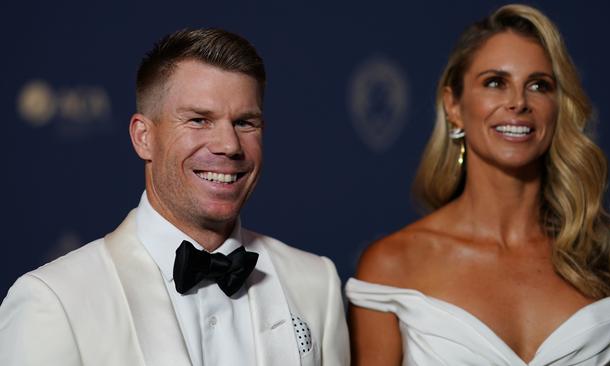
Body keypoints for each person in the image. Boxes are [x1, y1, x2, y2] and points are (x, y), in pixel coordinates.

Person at [0, 28, 349, 366]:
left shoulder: (316, 284)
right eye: (199, 120)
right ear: (143, 137)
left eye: (245, 123)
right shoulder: (55, 300)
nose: (229, 145)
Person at [346, 4, 610, 366]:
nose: (518, 102)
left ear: (557, 106)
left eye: (539, 85)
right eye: (495, 82)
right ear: (453, 106)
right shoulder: (391, 266)